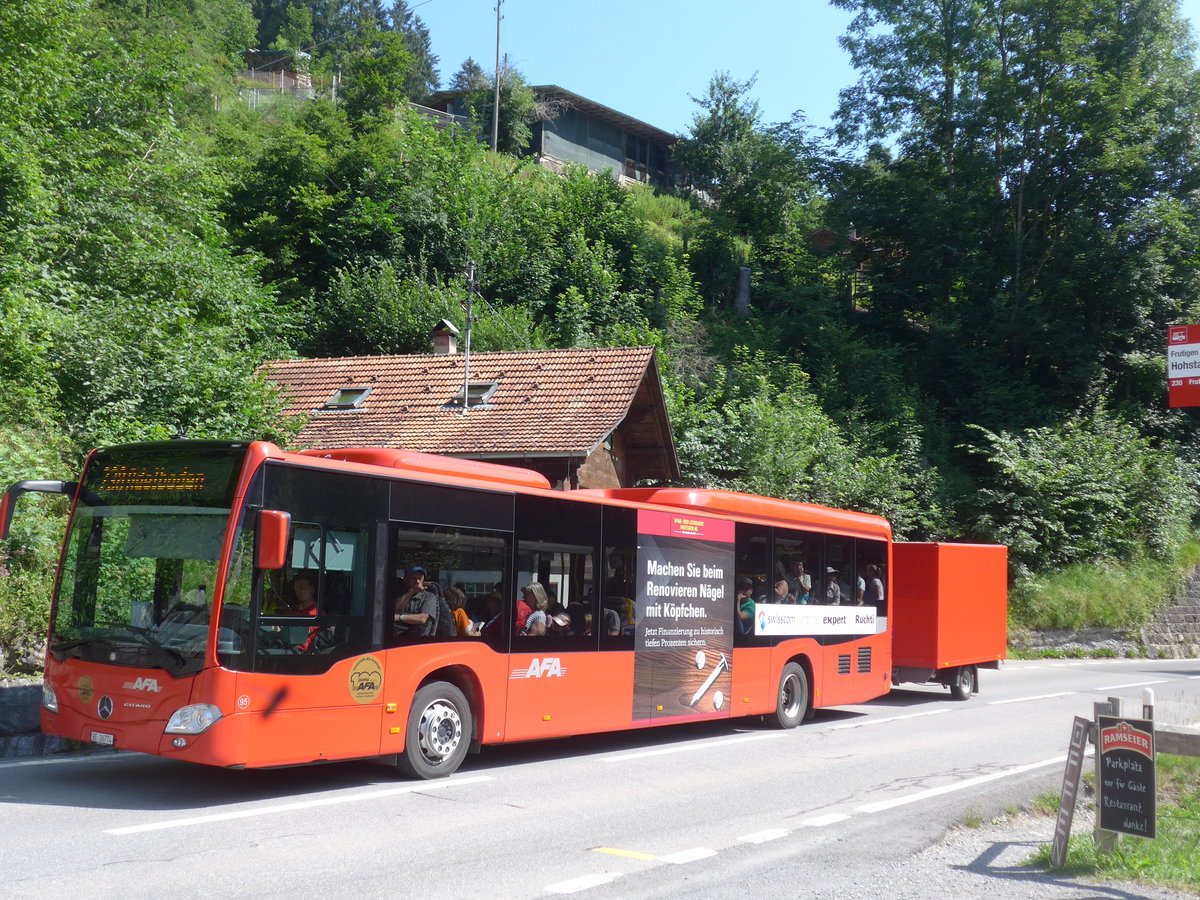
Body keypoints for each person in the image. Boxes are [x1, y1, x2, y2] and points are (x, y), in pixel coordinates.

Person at [394, 565, 439, 636]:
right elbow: (396, 607)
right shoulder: (401, 595)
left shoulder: (429, 596)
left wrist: (400, 617)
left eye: (420, 578)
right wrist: (412, 592)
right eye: (414, 578)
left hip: (419, 639)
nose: (417, 582)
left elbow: (422, 618)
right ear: (406, 580)